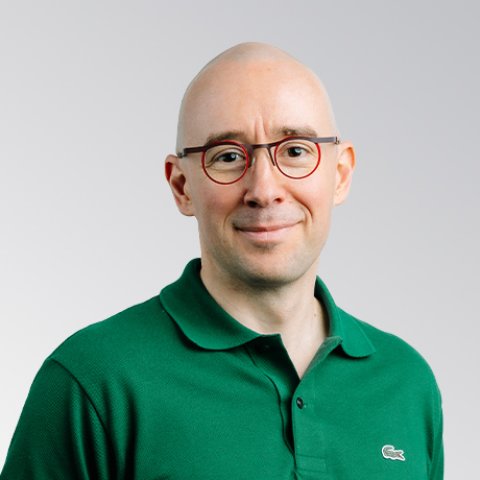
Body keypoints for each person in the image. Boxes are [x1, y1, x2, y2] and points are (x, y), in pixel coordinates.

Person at [1, 42, 443, 479]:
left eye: (295, 151)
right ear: (182, 186)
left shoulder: (406, 383)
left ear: (340, 174)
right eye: (228, 157)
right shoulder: (93, 383)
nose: (264, 190)